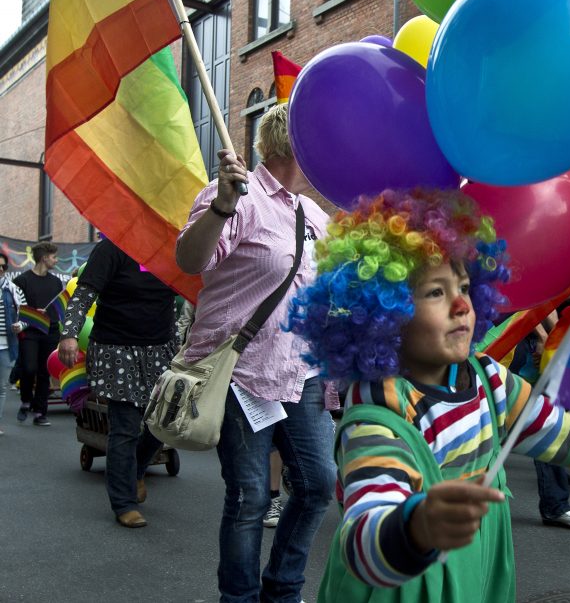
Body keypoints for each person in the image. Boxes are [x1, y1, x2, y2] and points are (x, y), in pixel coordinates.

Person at [286, 188, 570, 602]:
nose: (463, 305)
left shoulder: (489, 380)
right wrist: (417, 526)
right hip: (402, 587)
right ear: (385, 314)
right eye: (436, 292)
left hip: (477, 577)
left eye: (465, 286)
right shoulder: (379, 415)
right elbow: (364, 537)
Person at [176, 102, 335, 602]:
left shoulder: (316, 216)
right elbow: (189, 259)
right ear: (295, 145)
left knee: (317, 486)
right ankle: (239, 597)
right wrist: (221, 206)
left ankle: (282, 588)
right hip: (242, 374)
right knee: (249, 497)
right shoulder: (239, 197)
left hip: (302, 376)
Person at [57, 238, 178, 528]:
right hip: (116, 349)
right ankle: (124, 501)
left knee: (163, 422)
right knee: (124, 426)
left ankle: (134, 470)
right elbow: (84, 292)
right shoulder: (112, 247)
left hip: (161, 349)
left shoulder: (173, 246)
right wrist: (70, 333)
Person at [510, 320, 570, 529]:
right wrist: (543, 336)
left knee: (549, 413)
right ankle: (555, 505)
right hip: (514, 346)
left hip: (530, 343)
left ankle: (555, 499)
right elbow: (529, 301)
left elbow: (548, 304)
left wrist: (556, 335)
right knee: (545, 417)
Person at [13, 242, 63, 427]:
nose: (56, 260)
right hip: (30, 331)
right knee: (28, 368)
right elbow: (16, 308)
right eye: (54, 257)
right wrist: (33, 313)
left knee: (45, 372)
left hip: (50, 330)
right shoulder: (22, 281)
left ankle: (40, 412)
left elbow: (59, 306)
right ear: (44, 258)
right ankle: (26, 400)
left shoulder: (56, 281)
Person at [1, 252, 26, 436]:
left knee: (1, 387)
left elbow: (25, 314)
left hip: (6, 345)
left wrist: (20, 324)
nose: (0, 270)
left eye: (3, 267)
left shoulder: (12, 288)